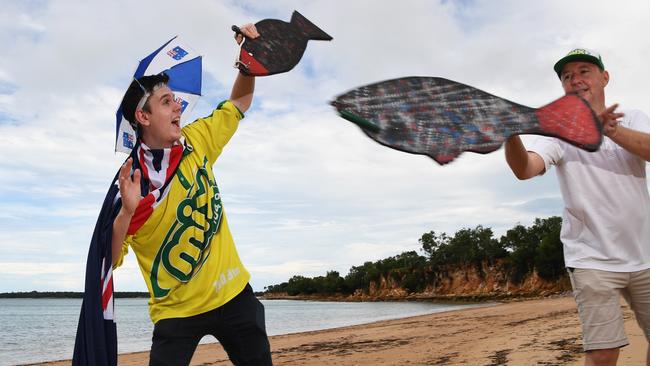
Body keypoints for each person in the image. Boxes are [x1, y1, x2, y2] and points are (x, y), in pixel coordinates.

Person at [111, 24, 272, 366]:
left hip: (234, 296)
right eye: (166, 102)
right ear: (143, 116)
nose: (178, 108)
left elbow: (238, 103)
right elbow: (109, 259)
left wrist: (248, 61)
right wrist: (126, 213)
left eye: (176, 100)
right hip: (176, 312)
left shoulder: (195, 142)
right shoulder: (132, 184)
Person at [504, 48, 650, 366]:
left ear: (604, 77)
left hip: (645, 254)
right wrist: (510, 135)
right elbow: (525, 169)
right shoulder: (558, 133)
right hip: (591, 258)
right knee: (603, 352)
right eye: (567, 76)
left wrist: (609, 129)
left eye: (584, 71)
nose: (576, 80)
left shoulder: (633, 117)